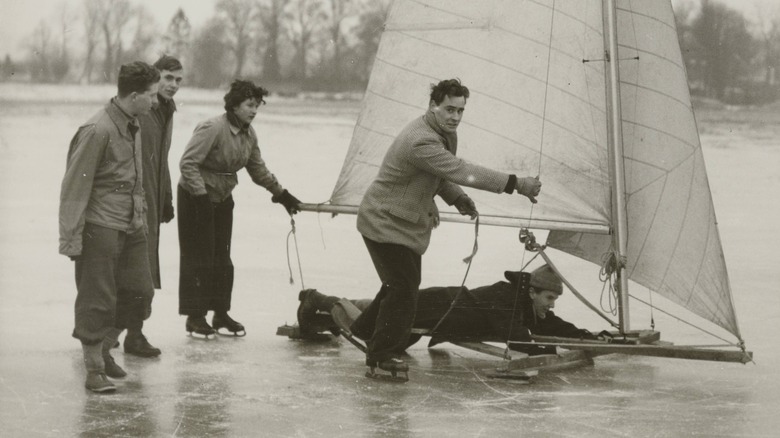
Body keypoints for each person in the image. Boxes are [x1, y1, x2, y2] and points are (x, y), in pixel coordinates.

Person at [352, 78, 542, 376]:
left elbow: (437, 174)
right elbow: (459, 170)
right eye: (449, 109)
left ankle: (364, 328)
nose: (455, 117)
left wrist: (456, 197)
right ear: (433, 106)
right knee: (403, 287)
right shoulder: (421, 139)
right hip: (383, 221)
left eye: (460, 111)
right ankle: (381, 355)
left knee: (399, 285)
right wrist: (516, 184)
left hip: (402, 223)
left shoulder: (442, 133)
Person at [59, 61, 160, 393]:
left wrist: (142, 218)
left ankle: (105, 349)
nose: (155, 102)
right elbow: (74, 189)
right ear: (134, 96)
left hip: (132, 226)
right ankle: (94, 369)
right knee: (97, 299)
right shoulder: (97, 130)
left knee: (140, 292)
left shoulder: (134, 123)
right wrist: (72, 240)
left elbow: (135, 182)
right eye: (151, 95)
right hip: (100, 227)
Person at [177, 79, 302, 337]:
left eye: (257, 105)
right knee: (200, 257)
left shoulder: (248, 133)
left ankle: (221, 314)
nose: (254, 110)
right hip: (195, 198)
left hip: (222, 198)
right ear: (234, 105)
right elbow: (187, 163)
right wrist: (200, 198)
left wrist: (282, 194)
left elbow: (257, 169)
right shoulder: (213, 128)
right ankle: (195, 317)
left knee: (222, 259)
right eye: (249, 105)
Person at [296, 264, 596, 354]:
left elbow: (550, 325)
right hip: (431, 309)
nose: (551, 305)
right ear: (532, 293)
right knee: (362, 325)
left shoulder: (524, 303)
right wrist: (547, 351)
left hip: (435, 310)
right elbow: (516, 337)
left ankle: (326, 306)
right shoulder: (508, 301)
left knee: (378, 309)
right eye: (549, 298)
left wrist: (588, 337)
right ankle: (316, 299)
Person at [121, 55, 183, 358]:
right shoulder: (143, 110)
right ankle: (111, 336)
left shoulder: (167, 111)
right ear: (155, 77)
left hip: (153, 200)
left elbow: (160, 158)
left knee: (145, 270)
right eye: (168, 77)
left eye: (178, 80)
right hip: (135, 202)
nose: (173, 85)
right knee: (136, 271)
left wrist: (166, 196)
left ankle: (134, 333)